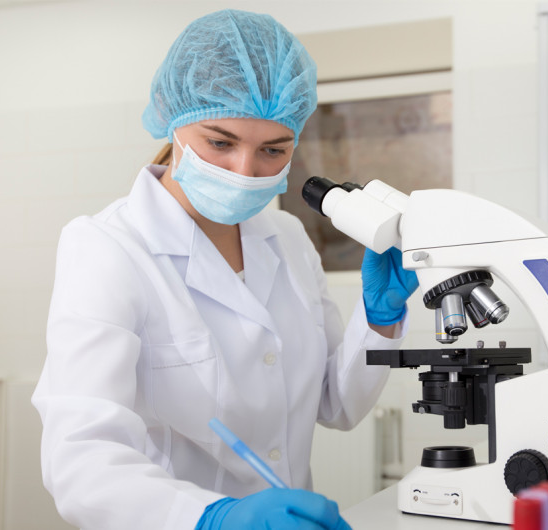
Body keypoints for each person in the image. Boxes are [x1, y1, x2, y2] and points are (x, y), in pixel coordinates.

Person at [32, 10, 418, 530]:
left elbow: (335, 404)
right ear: (174, 120)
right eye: (220, 142)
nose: (244, 171)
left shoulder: (287, 239)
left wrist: (378, 320)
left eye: (273, 150)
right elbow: (80, 458)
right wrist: (213, 518)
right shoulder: (107, 247)